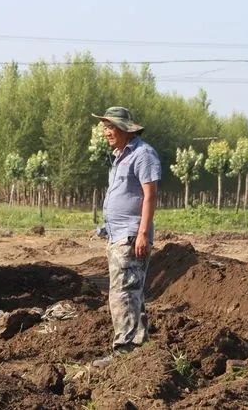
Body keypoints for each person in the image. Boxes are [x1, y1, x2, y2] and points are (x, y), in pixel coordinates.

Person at [91, 106, 161, 368]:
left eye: (111, 127)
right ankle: (139, 349)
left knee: (123, 294)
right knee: (131, 293)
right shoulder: (120, 156)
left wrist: (142, 233)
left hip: (131, 236)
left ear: (124, 129)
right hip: (118, 235)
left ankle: (126, 351)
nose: (107, 132)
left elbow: (150, 195)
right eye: (105, 127)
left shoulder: (143, 154)